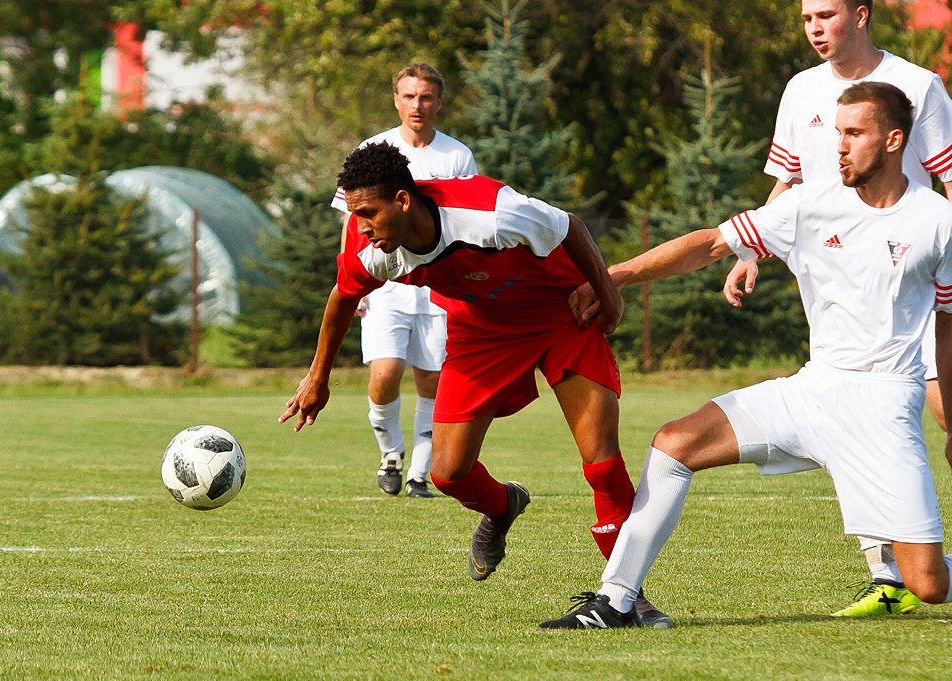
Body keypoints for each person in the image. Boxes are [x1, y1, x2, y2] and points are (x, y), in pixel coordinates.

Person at [540, 83, 952, 629]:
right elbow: (710, 244)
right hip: (813, 391)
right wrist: (611, 275)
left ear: (895, 140)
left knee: (929, 585)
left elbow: (950, 332)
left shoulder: (938, 222)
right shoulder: (810, 202)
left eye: (855, 134)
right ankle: (615, 600)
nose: (840, 146)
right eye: (838, 133)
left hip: (885, 409)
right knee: (673, 444)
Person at [724, 0, 952, 617]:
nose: (815, 28)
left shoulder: (917, 85)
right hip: (840, 283)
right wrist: (751, 248)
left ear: (861, 15)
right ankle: (886, 576)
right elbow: (786, 181)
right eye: (807, 18)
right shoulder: (799, 91)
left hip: (912, 276)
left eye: (827, 16)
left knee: (949, 408)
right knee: (850, 412)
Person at [282, 142, 673, 626]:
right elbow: (342, 296)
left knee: (601, 458)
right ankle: (503, 504)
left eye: (368, 213)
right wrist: (318, 377)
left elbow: (570, 225)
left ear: (403, 201)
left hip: (559, 313)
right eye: (354, 214)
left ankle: (627, 597)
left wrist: (607, 294)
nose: (360, 227)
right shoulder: (382, 254)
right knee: (447, 473)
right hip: (481, 331)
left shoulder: (488, 212)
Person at [332, 64, 477, 499]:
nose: (418, 105)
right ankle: (390, 452)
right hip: (385, 284)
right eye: (410, 96)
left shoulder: (457, 156)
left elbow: (463, 219)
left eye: (426, 96)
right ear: (396, 100)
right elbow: (352, 223)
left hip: (436, 286)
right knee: (385, 372)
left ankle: (418, 472)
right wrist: (350, 280)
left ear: (438, 101)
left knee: (431, 379)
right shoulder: (374, 149)